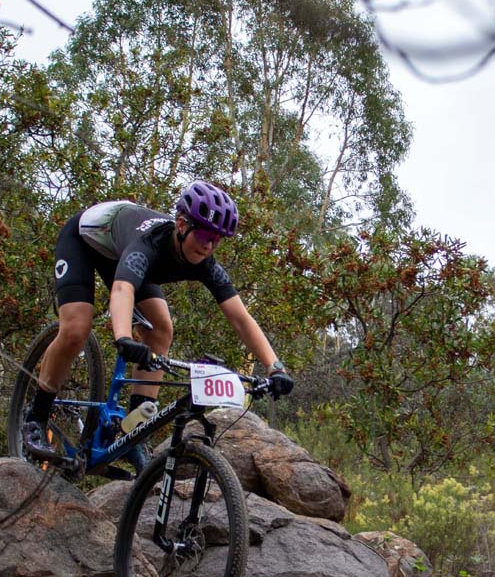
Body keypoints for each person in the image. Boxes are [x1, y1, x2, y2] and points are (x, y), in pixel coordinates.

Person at [22, 181, 294, 463]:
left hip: (124, 256)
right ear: (181, 225)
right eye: (204, 234)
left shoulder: (206, 263)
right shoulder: (150, 243)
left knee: (161, 330)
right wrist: (123, 338)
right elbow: (122, 289)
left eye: (217, 239)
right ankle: (35, 417)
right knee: (76, 329)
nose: (209, 245)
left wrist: (275, 368)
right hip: (85, 241)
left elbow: (240, 317)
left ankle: (134, 433)